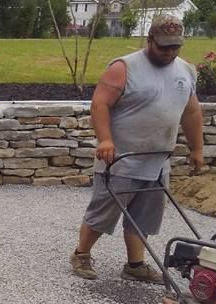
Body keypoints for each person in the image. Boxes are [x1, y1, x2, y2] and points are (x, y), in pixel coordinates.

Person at [70, 14, 204, 282]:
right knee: (103, 211)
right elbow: (99, 104)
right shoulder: (124, 67)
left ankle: (135, 265)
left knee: (145, 216)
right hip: (121, 158)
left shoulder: (186, 71)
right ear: (150, 39)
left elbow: (191, 112)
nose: (169, 52)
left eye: (174, 47)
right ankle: (81, 254)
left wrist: (196, 149)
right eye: (163, 46)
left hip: (157, 159)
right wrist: (105, 140)